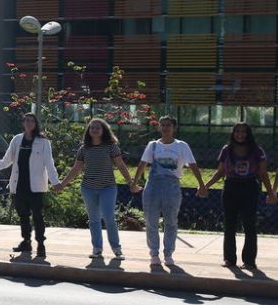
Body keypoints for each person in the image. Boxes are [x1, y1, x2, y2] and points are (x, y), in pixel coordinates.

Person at [133, 116, 208, 267]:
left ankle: (168, 254)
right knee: (151, 220)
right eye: (163, 125)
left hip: (172, 187)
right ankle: (154, 254)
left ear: (174, 128)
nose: (165, 128)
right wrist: (134, 183)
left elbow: (193, 165)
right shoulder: (153, 145)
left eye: (169, 125)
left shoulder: (182, 146)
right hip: (153, 186)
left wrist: (201, 185)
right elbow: (143, 164)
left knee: (171, 221)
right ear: (159, 127)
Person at [57, 118, 137, 259]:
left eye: (97, 128)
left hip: (107, 187)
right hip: (88, 188)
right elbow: (76, 168)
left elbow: (121, 165)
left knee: (108, 217)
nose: (94, 130)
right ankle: (97, 249)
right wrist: (63, 184)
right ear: (88, 131)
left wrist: (130, 182)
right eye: (92, 128)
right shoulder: (84, 149)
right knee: (93, 219)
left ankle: (117, 248)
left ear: (103, 130)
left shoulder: (111, 146)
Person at [204, 123, 275, 270]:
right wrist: (206, 185)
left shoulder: (257, 151)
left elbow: (263, 173)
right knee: (229, 224)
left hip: (250, 188)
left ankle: (249, 261)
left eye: (243, 131)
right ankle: (229, 259)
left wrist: (271, 192)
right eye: (237, 131)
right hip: (231, 187)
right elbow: (220, 172)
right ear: (233, 133)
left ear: (248, 133)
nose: (240, 134)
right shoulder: (227, 150)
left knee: (249, 225)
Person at [0, 113, 60, 258]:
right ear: (23, 123)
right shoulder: (16, 140)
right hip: (19, 185)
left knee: (38, 216)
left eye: (32, 121)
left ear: (35, 124)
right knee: (23, 216)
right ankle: (26, 242)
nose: (29, 123)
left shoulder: (43, 142)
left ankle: (41, 244)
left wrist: (56, 182)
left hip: (36, 187)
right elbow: (7, 160)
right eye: (26, 120)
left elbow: (49, 163)